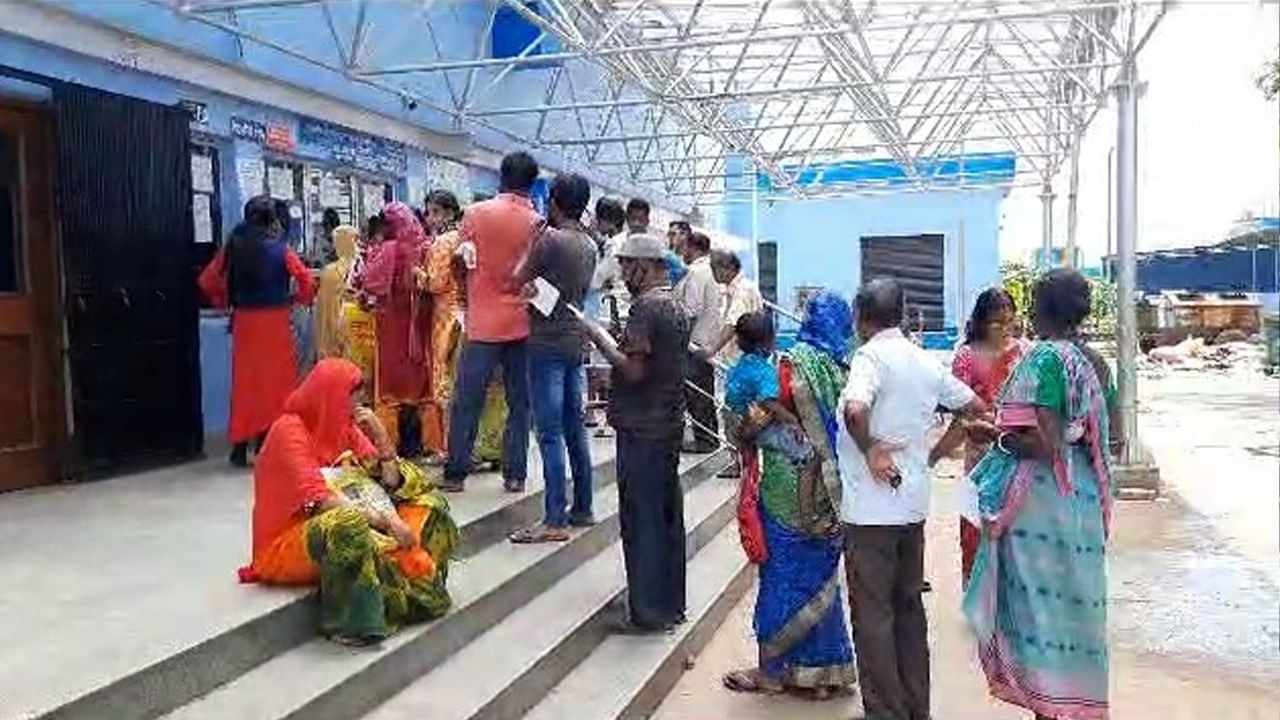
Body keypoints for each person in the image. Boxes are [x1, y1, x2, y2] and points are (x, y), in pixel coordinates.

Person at [963, 269, 1115, 720]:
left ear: (1040, 308)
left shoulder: (1045, 358)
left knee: (1039, 611)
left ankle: (1050, 709)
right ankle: (1079, 704)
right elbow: (1110, 436)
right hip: (1082, 499)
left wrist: (999, 438)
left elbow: (1044, 444)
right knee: (1078, 613)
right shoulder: (1097, 362)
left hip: (1042, 505)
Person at [838, 278, 987, 720]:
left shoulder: (869, 357)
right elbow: (975, 406)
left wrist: (871, 449)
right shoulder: (925, 361)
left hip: (870, 510)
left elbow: (854, 410)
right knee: (907, 610)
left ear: (861, 318)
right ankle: (914, 708)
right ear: (900, 315)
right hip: (912, 505)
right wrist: (934, 452)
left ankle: (885, 712)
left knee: (873, 617)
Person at [238, 359, 457, 645]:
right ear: (329, 396)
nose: (357, 406)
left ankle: (404, 589)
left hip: (353, 523)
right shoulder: (288, 430)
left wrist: (381, 436)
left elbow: (388, 482)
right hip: (286, 543)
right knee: (347, 523)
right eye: (350, 399)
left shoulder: (345, 429)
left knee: (428, 505)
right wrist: (387, 522)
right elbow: (321, 499)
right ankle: (351, 625)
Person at [723, 292, 857, 699]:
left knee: (782, 576)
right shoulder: (847, 368)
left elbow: (755, 420)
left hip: (787, 489)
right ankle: (825, 671)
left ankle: (773, 671)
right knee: (820, 581)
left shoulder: (790, 365)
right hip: (832, 492)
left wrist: (741, 428)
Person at [576, 233, 690, 633]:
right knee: (665, 517)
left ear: (645, 265)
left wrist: (596, 334)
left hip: (642, 427)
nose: (623, 273)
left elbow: (633, 371)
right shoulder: (674, 304)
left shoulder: (646, 308)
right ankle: (670, 603)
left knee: (641, 521)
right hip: (667, 425)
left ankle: (647, 611)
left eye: (627, 265)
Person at [442, 151, 541, 493]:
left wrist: (466, 297)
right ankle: (514, 474)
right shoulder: (536, 223)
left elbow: (460, 262)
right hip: (523, 323)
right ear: (531, 183)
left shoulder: (474, 214)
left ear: (501, 178)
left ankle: (455, 473)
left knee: (468, 399)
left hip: (482, 323)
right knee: (519, 402)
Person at [509, 174, 598, 544]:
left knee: (548, 433)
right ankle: (583, 508)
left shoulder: (549, 240)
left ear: (555, 202)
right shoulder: (590, 244)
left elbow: (517, 277)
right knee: (574, 428)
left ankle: (554, 518)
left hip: (545, 343)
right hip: (575, 340)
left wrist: (533, 241)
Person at [199, 195, 317, 467]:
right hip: (275, 322)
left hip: (244, 322)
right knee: (277, 385)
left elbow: (207, 279)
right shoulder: (281, 249)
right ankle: (268, 442)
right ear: (272, 220)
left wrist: (224, 302)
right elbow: (307, 281)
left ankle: (239, 448)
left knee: (246, 384)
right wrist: (296, 301)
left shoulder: (233, 245)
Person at [930, 287, 1030, 586]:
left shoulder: (1026, 353)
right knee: (975, 527)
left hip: (1018, 456)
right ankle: (978, 597)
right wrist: (938, 451)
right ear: (981, 322)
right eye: (996, 322)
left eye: (1009, 320)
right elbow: (961, 412)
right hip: (980, 459)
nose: (1004, 328)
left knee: (1015, 527)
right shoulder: (967, 356)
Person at [361, 202, 432, 459]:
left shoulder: (389, 250)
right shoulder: (424, 247)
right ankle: (416, 443)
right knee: (415, 383)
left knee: (392, 386)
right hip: (420, 325)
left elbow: (370, 281)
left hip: (393, 325)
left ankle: (393, 445)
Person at [678, 231, 722, 454]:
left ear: (692, 248)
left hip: (695, 341)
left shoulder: (695, 272)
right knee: (706, 392)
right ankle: (710, 436)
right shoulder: (714, 270)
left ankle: (705, 439)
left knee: (696, 393)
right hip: (712, 340)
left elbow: (691, 309)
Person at [707, 249, 763, 366]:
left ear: (729, 268)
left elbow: (733, 324)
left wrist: (712, 350)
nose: (713, 273)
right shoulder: (728, 290)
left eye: (715, 268)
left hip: (739, 358)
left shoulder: (743, 290)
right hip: (731, 355)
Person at [315, 225, 360, 360]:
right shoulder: (363, 267)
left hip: (333, 342)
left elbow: (324, 315)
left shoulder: (330, 272)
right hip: (358, 337)